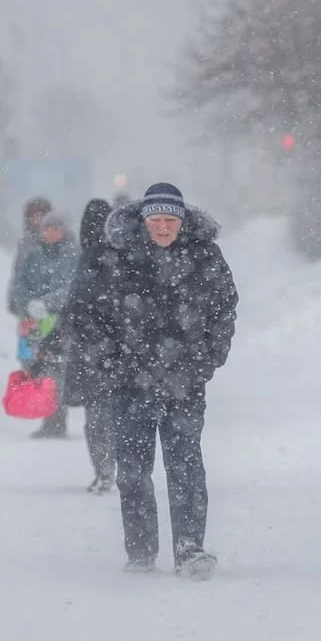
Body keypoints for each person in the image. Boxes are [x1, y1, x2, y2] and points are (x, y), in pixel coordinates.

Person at [67, 182, 238, 578]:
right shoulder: (112, 256)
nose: (163, 228)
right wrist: (111, 364)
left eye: (171, 220)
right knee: (133, 470)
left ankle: (189, 548)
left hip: (185, 383)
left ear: (183, 220)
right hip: (129, 385)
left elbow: (224, 308)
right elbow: (84, 313)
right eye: (156, 220)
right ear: (144, 220)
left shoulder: (204, 256)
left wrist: (206, 360)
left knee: (186, 465)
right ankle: (141, 551)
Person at [34, 198, 117, 491]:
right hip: (114, 356)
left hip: (91, 355)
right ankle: (110, 470)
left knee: (96, 421)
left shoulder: (89, 262)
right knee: (106, 419)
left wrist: (54, 340)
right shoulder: (120, 261)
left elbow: (72, 308)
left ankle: (106, 470)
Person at [10, 211, 80, 438]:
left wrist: (47, 303)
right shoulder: (33, 254)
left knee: (55, 372)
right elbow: (20, 283)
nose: (51, 233)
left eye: (56, 228)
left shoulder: (72, 255)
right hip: (31, 321)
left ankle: (56, 421)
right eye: (48, 228)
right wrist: (26, 307)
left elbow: (71, 286)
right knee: (32, 366)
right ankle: (46, 417)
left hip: (58, 323)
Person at [7, 196, 52, 316]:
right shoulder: (25, 244)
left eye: (40, 215)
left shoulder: (58, 240)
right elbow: (18, 273)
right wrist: (14, 298)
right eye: (33, 216)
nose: (37, 220)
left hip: (52, 305)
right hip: (29, 304)